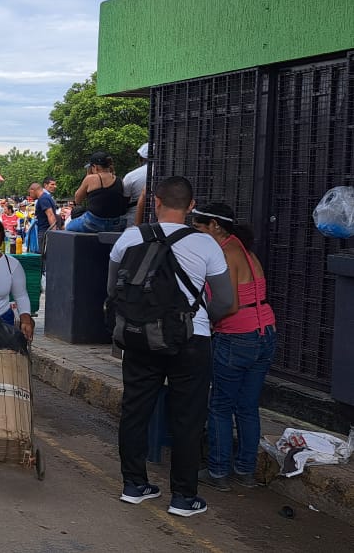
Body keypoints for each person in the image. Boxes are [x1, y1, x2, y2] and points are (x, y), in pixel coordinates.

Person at [108, 176, 233, 518]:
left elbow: (113, 288)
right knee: (188, 419)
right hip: (191, 340)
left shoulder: (131, 237)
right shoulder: (207, 244)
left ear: (156, 202)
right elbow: (225, 300)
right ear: (192, 207)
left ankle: (134, 485)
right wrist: (203, 319)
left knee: (135, 410)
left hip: (139, 336)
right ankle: (183, 496)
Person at [191, 203, 278, 492]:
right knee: (248, 407)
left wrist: (206, 321)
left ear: (214, 225)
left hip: (236, 337)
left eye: (199, 227)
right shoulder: (246, 251)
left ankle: (217, 471)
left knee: (220, 406)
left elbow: (228, 304)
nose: (196, 232)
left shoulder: (226, 254)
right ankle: (245, 471)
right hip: (264, 333)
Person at [67, 151, 128, 233]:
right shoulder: (119, 180)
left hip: (94, 222)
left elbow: (78, 199)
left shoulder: (91, 178)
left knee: (69, 226)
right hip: (115, 223)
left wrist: (87, 176)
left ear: (95, 167)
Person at [27, 177, 59, 255]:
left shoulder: (43, 199)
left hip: (45, 231)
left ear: (32, 190)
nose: (30, 196)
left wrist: (53, 233)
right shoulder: (46, 197)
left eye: (30, 193)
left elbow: (50, 215)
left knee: (45, 257)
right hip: (46, 230)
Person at [123, 144, 149, 228]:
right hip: (159, 218)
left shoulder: (131, 176)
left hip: (133, 218)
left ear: (141, 158)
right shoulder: (165, 174)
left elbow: (123, 202)